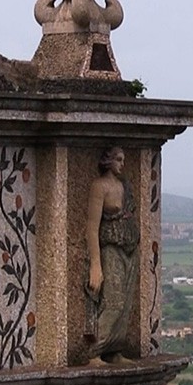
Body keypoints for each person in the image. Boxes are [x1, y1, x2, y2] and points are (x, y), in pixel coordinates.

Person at [84, 146, 140, 365]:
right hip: (111, 248)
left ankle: (114, 350)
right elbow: (92, 226)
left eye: (123, 160)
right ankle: (94, 351)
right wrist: (95, 265)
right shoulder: (100, 186)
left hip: (129, 248)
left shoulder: (123, 186)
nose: (122, 164)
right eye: (118, 159)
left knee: (125, 303)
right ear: (107, 161)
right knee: (113, 301)